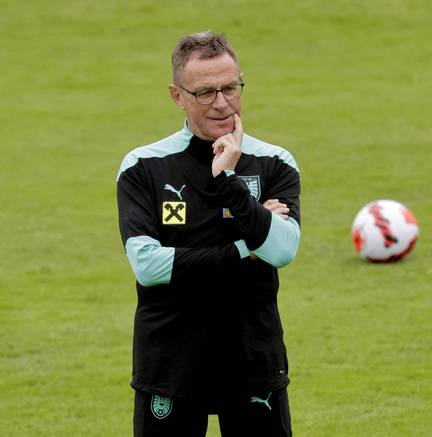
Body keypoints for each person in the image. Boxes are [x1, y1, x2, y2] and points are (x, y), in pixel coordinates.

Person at [116, 31, 300, 436]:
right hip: (171, 366)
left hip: (253, 363)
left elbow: (283, 250)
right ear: (177, 95)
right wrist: (243, 248)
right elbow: (148, 265)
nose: (221, 103)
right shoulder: (142, 167)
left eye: (230, 88)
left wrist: (228, 180)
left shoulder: (274, 162)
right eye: (205, 92)